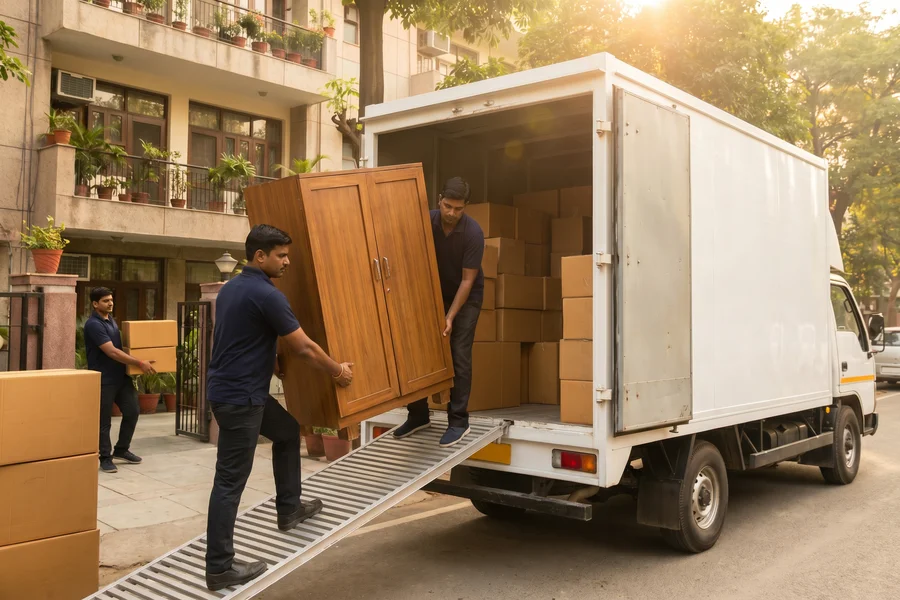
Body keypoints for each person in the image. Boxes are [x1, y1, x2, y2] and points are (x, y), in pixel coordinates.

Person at [205, 224, 354, 592]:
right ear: (260, 256)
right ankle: (220, 566)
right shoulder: (267, 295)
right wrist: (338, 372)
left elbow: (245, 334)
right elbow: (304, 347)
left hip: (234, 390)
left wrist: (270, 359)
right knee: (229, 483)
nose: (287, 261)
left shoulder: (233, 289)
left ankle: (290, 508)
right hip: (242, 398)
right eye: (281, 255)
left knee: (287, 432)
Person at [394, 176, 484, 448]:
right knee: (419, 349)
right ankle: (418, 415)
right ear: (439, 201)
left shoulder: (473, 233)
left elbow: (468, 281)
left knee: (458, 352)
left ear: (465, 207)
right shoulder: (425, 221)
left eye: (458, 209)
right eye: (447, 206)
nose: (451, 213)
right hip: (433, 292)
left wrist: (449, 317)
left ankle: (458, 421)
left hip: (465, 296)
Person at [83, 287, 156, 474]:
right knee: (104, 421)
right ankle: (105, 458)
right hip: (104, 379)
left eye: (111, 300)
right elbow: (112, 351)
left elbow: (121, 348)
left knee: (132, 411)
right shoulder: (94, 324)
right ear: (95, 304)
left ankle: (122, 449)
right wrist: (140, 362)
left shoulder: (111, 321)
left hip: (121, 377)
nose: (110, 303)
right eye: (106, 300)